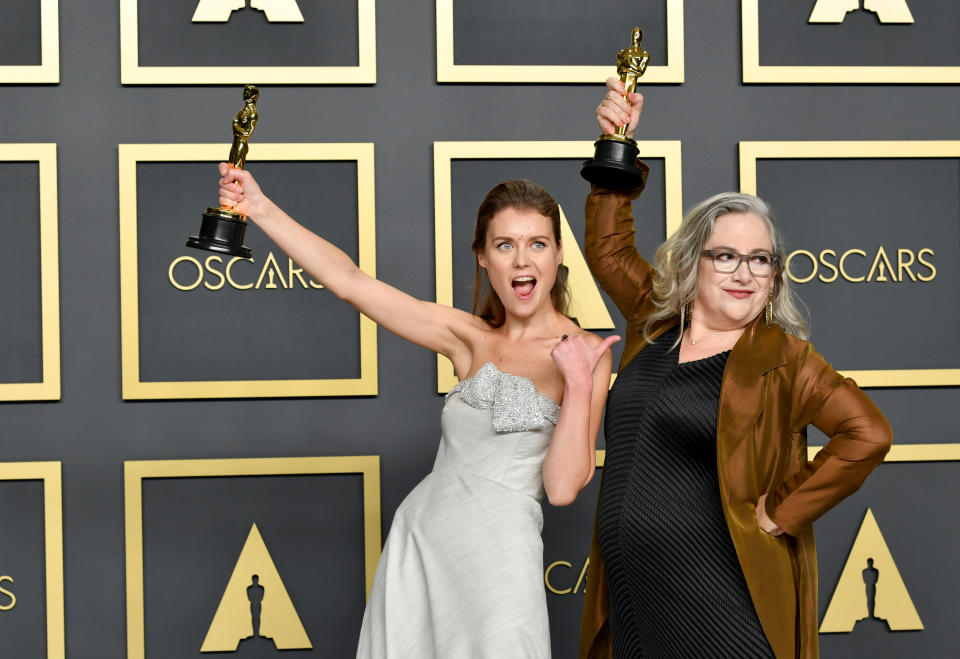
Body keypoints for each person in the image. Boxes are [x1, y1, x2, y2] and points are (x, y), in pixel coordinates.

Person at [215, 167, 619, 658]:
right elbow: (349, 281)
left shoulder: (587, 355)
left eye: (537, 244)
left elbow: (561, 487)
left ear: (559, 254)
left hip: (500, 553)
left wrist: (577, 385)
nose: (521, 259)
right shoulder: (466, 337)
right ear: (483, 257)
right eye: (504, 245)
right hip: (425, 539)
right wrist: (259, 208)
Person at [579, 78, 892, 659]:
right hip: (635, 598)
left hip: (721, 601)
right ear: (694, 260)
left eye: (760, 260)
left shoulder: (784, 358)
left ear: (774, 275)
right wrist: (616, 141)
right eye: (726, 255)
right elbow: (608, 249)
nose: (743, 273)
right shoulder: (654, 318)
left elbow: (868, 433)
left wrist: (780, 513)